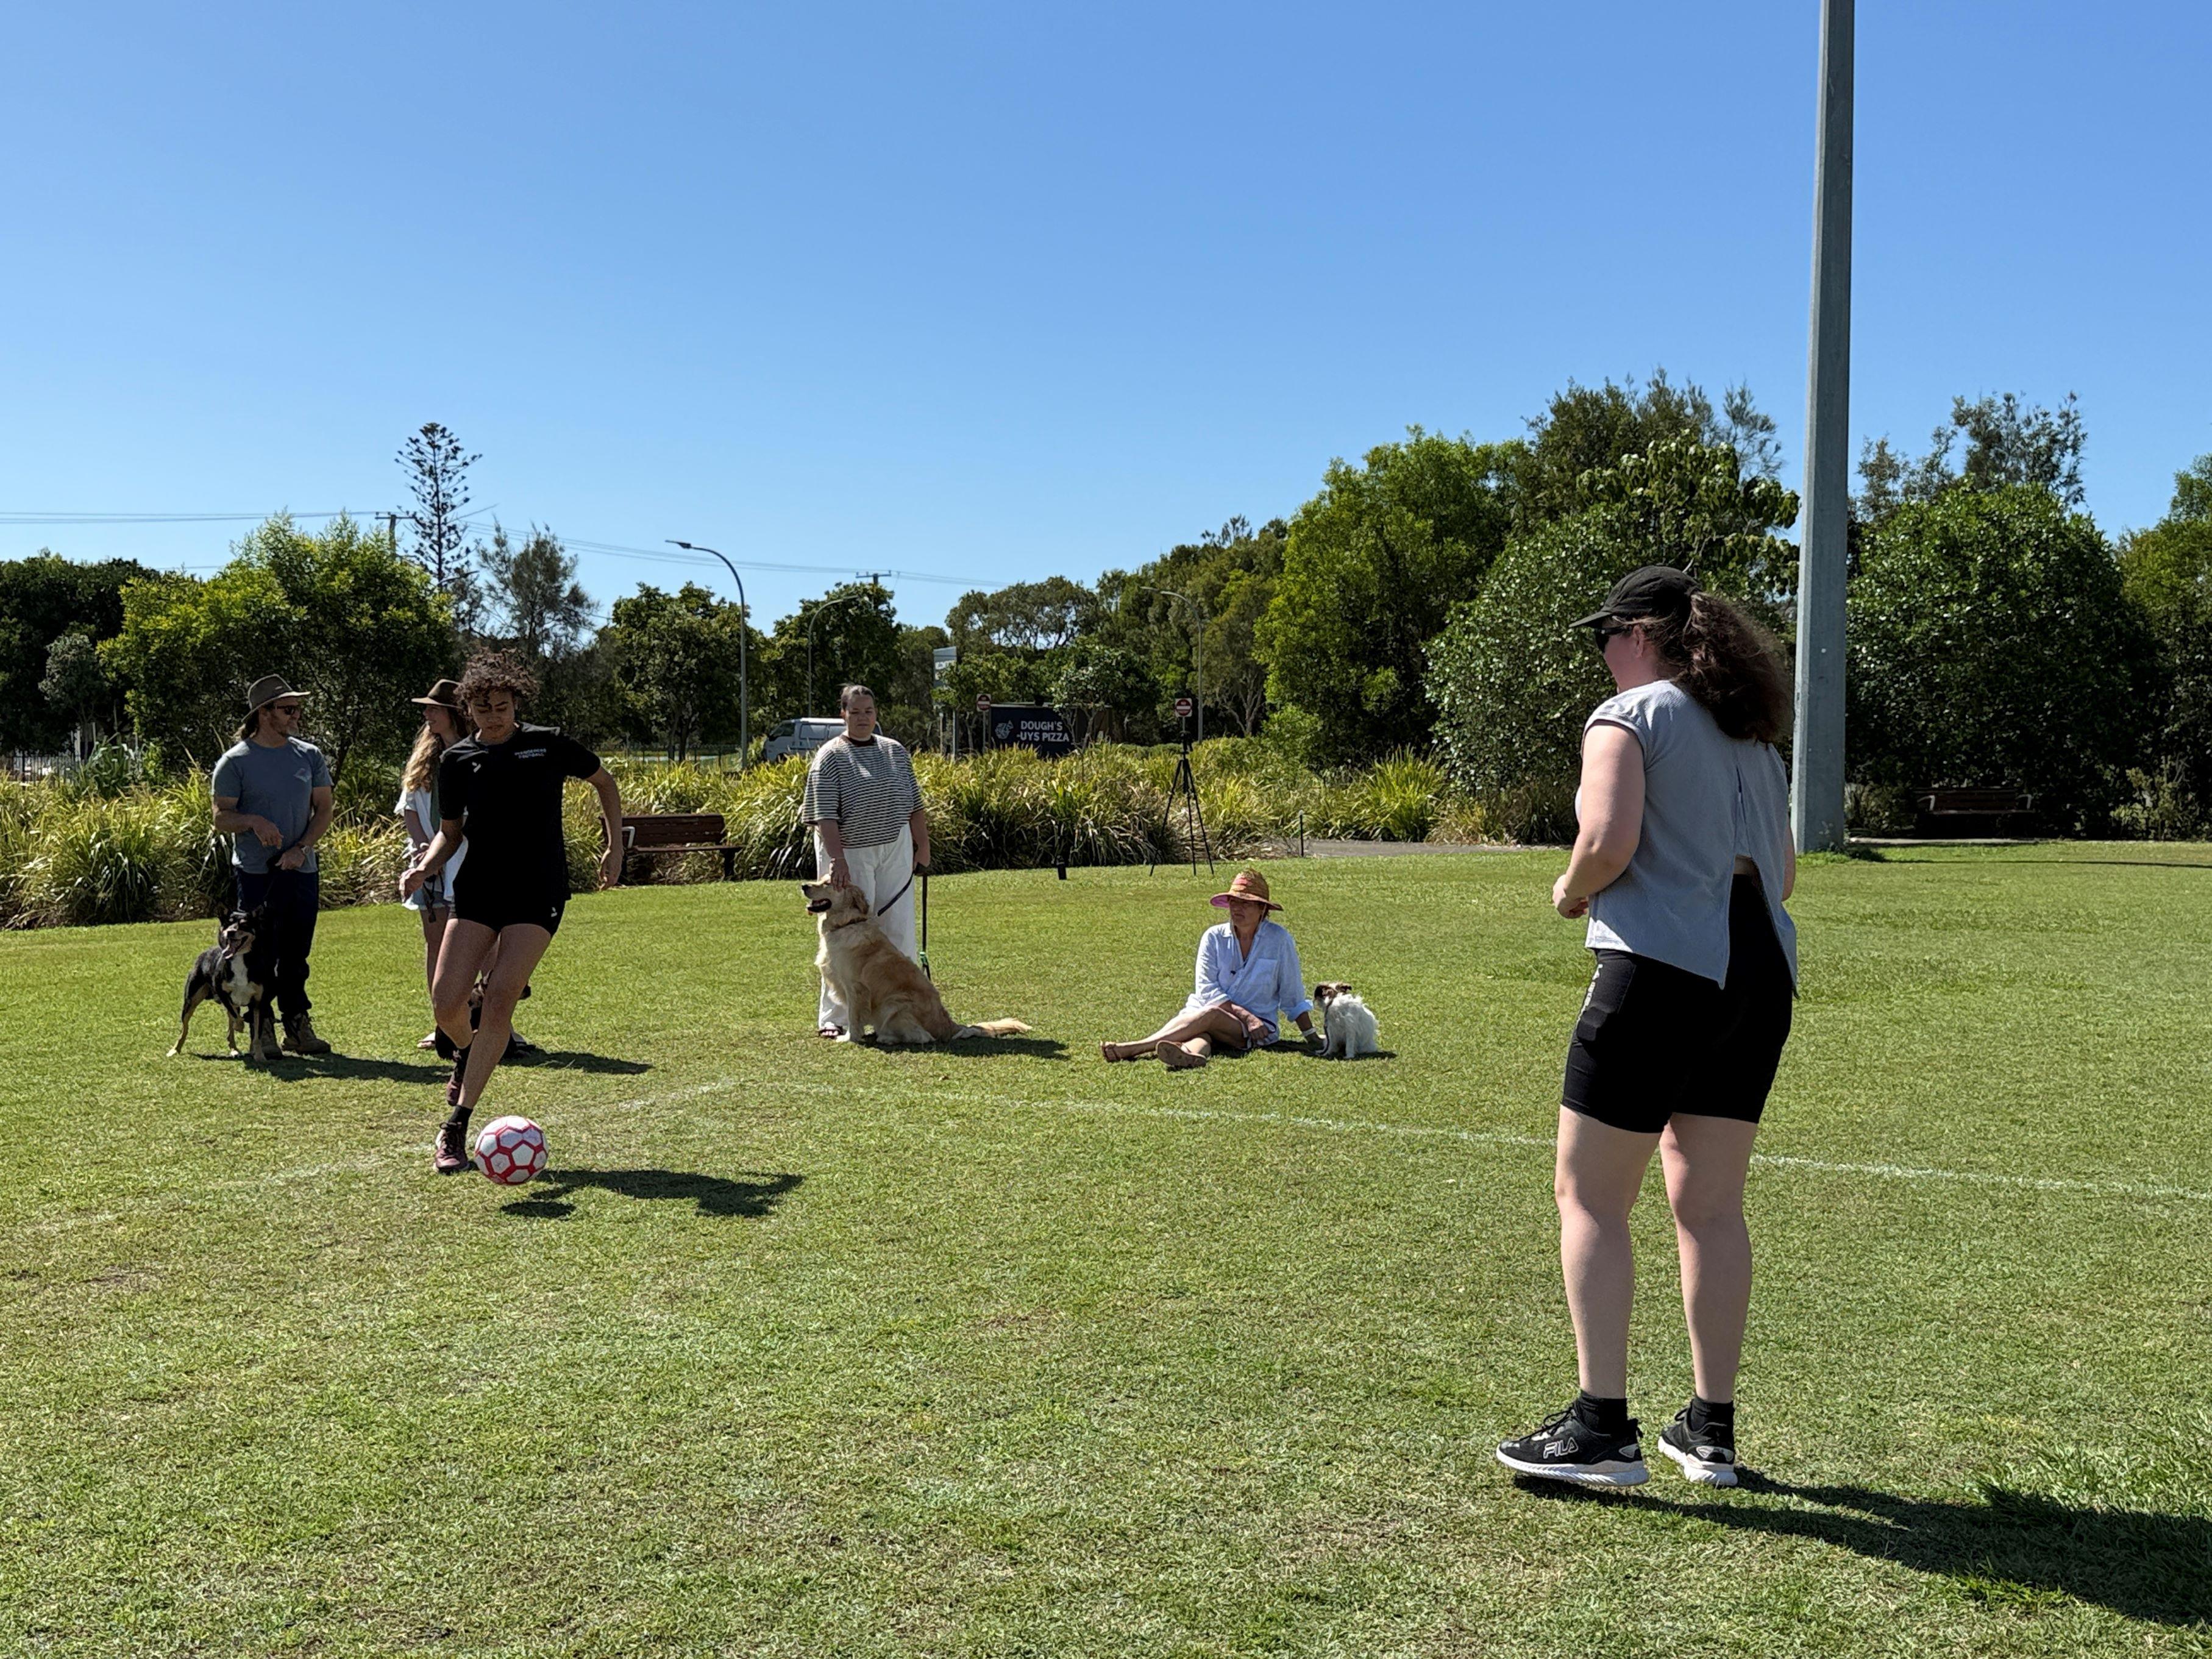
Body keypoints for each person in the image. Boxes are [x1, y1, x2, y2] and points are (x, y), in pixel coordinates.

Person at [1496, 566, 1798, 1491]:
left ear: (1637, 634)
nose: (1603, 655)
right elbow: (1782, 876)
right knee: (1709, 1206)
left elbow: (1609, 839)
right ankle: (1709, 1429)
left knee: (1587, 1197)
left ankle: (1601, 1429)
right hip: (1758, 970)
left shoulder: (1625, 717)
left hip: (1662, 969)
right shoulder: (1751, 737)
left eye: (1605, 636)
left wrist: (1571, 886)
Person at [399, 652, 623, 1176]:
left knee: (499, 999)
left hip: (537, 890)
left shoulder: (547, 743)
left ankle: (456, 1124)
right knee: (445, 1004)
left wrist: (616, 849)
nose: (493, 717)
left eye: (501, 707)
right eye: (482, 709)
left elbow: (605, 783)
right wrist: (423, 868)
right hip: (479, 889)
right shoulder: (457, 761)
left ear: (515, 703)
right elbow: (449, 834)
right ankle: (464, 1052)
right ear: (468, 709)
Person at [210, 673, 334, 1056]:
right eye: (287, 709)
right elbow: (220, 817)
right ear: (264, 714)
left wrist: (302, 848)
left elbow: (325, 809)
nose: (296, 715)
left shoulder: (308, 755)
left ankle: (297, 1025)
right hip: (255, 873)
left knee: (297, 952)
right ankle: (259, 1030)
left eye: (296, 707)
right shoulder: (235, 762)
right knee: (261, 953)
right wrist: (253, 822)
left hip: (301, 869)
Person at [802, 683, 930, 1038]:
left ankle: (901, 1012)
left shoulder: (894, 751)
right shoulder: (830, 755)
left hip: (894, 846)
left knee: (898, 930)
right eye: (855, 711)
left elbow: (914, 804)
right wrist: (837, 860)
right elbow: (824, 814)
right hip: (849, 850)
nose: (863, 718)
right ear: (842, 714)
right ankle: (837, 1017)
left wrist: (923, 846)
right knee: (846, 934)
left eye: (869, 711)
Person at [1100, 869, 1317, 1069]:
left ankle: (1136, 1048)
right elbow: (1206, 987)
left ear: (1262, 909)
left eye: (1245, 903)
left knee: (1211, 1015)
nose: (1236, 908)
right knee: (1203, 1031)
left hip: (1255, 1027)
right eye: (1233, 902)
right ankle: (1191, 1054)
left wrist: (1311, 1036)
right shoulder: (1213, 937)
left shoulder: (1279, 939)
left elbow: (1292, 992)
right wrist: (1241, 1013)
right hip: (1204, 1013)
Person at [396, 680, 469, 1051]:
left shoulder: (475, 753)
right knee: (436, 944)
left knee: (482, 945)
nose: (427, 715)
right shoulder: (424, 758)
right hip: (431, 866)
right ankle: (442, 1023)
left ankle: (492, 1022)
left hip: (470, 862)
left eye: (433, 709)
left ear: (453, 713)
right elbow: (410, 807)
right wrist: (425, 852)